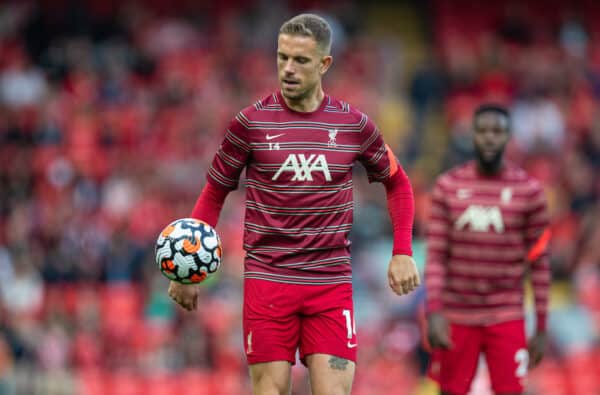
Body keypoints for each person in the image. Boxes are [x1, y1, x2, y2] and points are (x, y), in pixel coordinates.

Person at [167, 13, 420, 395]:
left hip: (330, 285)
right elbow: (215, 191)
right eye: (282, 57)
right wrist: (188, 272)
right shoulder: (249, 124)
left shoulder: (353, 125)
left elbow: (398, 182)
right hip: (269, 283)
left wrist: (402, 250)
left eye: (300, 60)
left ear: (324, 64)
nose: (288, 68)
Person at [425, 104, 551, 395]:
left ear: (509, 137)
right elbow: (436, 256)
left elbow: (540, 263)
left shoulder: (529, 191)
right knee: (450, 391)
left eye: (498, 131)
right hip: (457, 313)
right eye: (483, 131)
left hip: (506, 312)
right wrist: (434, 312)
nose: (490, 138)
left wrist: (542, 326)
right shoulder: (448, 186)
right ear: (473, 136)